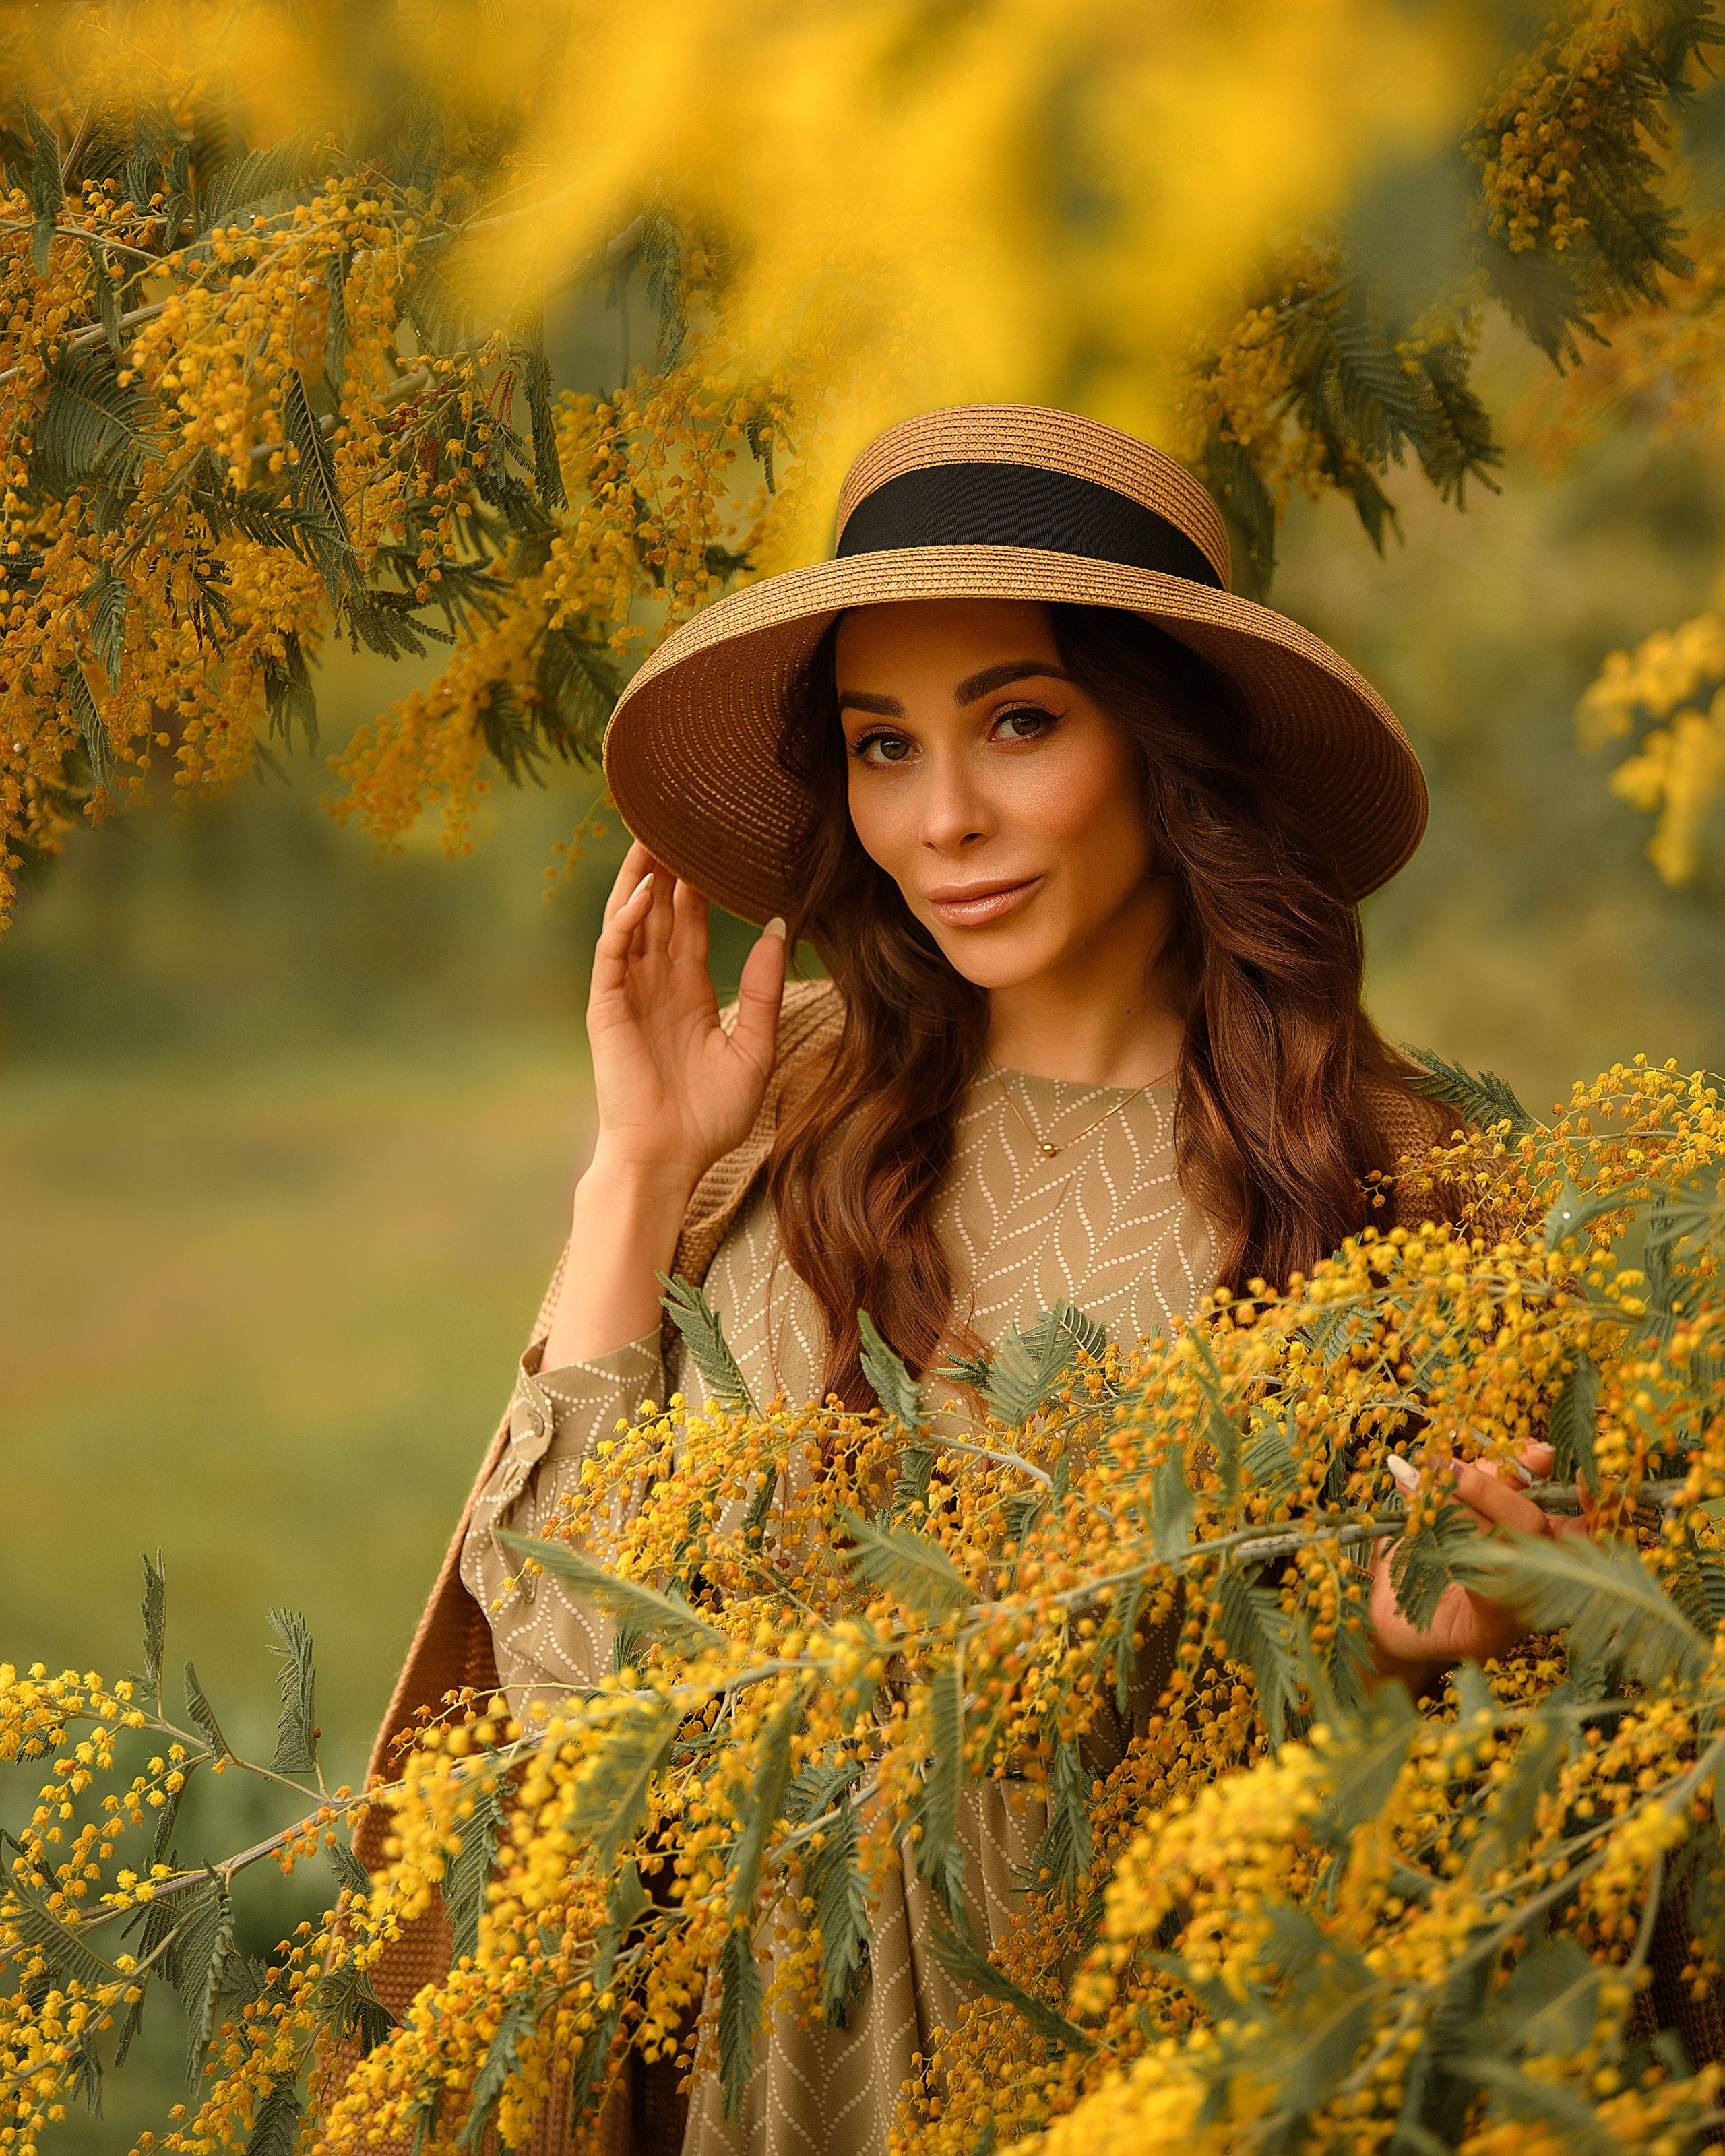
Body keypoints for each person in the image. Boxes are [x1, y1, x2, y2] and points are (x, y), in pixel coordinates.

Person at [356, 406, 1582, 2156]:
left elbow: (1504, 1822)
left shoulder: (1412, 1185)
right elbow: (554, 1677)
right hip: (744, 2058)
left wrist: (1429, 1657)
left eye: (1019, 722)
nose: (942, 820)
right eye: (881, 746)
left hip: (1125, 2063)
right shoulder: (778, 1106)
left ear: (1165, 746)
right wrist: (636, 1172)